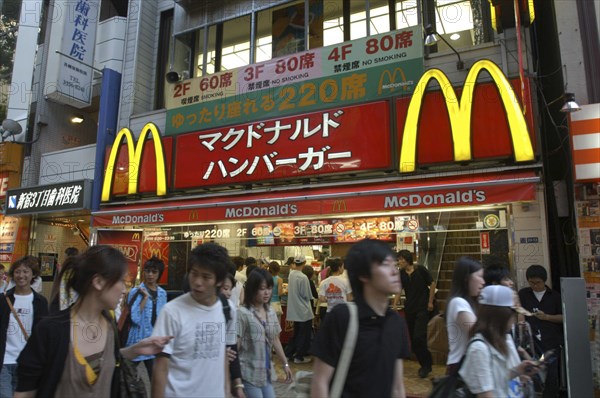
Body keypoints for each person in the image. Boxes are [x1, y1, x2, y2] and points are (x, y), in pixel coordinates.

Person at [14, 245, 172, 397]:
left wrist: (135, 350)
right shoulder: (50, 330)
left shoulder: (110, 325)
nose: (124, 290)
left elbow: (105, 360)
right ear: (98, 282)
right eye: (121, 281)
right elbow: (25, 391)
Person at [311, 239, 410, 397]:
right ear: (364, 275)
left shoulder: (396, 322)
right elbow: (320, 382)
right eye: (385, 265)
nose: (394, 271)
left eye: (395, 265)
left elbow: (397, 386)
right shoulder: (343, 317)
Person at [151, 242, 237, 398]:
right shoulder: (172, 312)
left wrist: (226, 391)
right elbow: (160, 369)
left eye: (206, 277)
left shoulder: (227, 309)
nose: (197, 282)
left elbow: (222, 355)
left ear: (219, 281)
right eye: (194, 273)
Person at [460, 285, 540, 397]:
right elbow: (485, 394)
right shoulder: (479, 349)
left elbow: (496, 379)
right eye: (514, 314)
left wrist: (517, 372)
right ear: (501, 314)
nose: (514, 320)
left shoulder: (501, 340)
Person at [237, 268, 292, 397]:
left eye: (269, 288)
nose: (267, 292)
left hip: (265, 372)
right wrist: (235, 380)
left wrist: (285, 363)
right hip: (248, 373)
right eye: (262, 289)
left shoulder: (270, 312)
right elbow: (236, 346)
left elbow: (275, 339)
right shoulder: (242, 313)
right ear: (252, 289)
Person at [0, 256, 48, 398]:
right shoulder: (3, 300)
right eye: (17, 272)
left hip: (27, 363)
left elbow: (44, 333)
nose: (21, 275)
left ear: (33, 274)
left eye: (26, 272)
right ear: (12, 275)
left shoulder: (40, 302)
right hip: (4, 361)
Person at [518, 265, 563, 398]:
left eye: (537, 283)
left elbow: (563, 318)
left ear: (544, 281)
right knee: (531, 375)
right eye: (531, 283)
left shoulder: (554, 296)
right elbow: (519, 313)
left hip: (551, 343)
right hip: (532, 344)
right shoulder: (523, 294)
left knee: (551, 376)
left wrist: (547, 317)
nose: (534, 286)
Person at [392, 250, 436, 378]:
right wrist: (395, 303)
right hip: (409, 309)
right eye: (398, 259)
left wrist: (430, 302)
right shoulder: (401, 274)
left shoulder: (421, 270)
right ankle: (425, 364)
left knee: (419, 337)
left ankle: (426, 365)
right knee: (414, 341)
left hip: (422, 309)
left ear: (407, 259)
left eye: (400, 259)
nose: (399, 262)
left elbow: (432, 284)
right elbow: (398, 290)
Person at [125, 256, 168, 379]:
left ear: (159, 274)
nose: (150, 275)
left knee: (155, 378)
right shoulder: (136, 292)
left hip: (153, 341)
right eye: (147, 271)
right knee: (127, 377)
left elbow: (161, 319)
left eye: (154, 272)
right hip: (137, 340)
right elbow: (135, 318)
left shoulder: (162, 294)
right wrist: (144, 298)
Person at [446, 256, 485, 375]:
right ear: (466, 278)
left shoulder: (470, 303)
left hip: (468, 363)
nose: (483, 282)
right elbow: (478, 333)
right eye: (480, 276)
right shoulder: (458, 302)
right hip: (460, 365)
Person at [283, 255, 314, 364]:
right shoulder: (303, 277)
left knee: (296, 334)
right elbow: (307, 295)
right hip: (303, 311)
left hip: (294, 310)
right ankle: (299, 357)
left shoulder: (291, 274)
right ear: (304, 263)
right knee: (303, 335)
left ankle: (288, 354)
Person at [317, 257, 352, 321]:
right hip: (343, 312)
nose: (343, 269)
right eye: (342, 267)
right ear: (339, 268)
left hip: (330, 312)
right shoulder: (346, 281)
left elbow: (322, 299)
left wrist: (331, 297)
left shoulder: (324, 282)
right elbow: (349, 298)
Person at [49, 246, 80, 313]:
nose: (64, 259)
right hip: (70, 303)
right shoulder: (79, 270)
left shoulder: (76, 271)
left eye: (65, 256)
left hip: (65, 303)